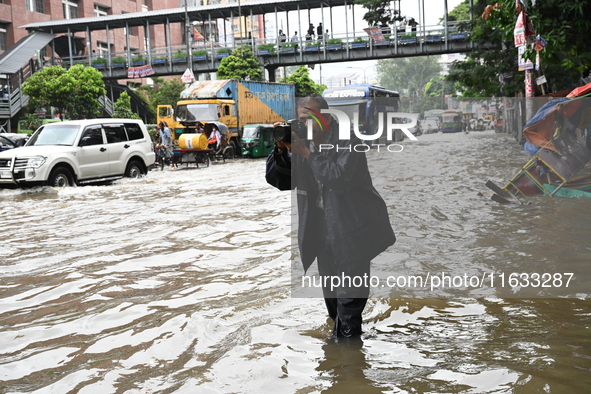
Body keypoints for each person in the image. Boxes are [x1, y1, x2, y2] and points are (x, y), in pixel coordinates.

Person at [266, 96, 396, 338]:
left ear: (325, 118)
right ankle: (341, 359)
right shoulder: (303, 144)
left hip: (350, 232)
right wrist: (281, 151)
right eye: (301, 120)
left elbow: (341, 178)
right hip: (320, 232)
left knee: (349, 303)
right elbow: (280, 181)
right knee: (333, 301)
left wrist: (307, 154)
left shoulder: (350, 141)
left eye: (310, 119)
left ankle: (348, 360)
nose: (305, 125)